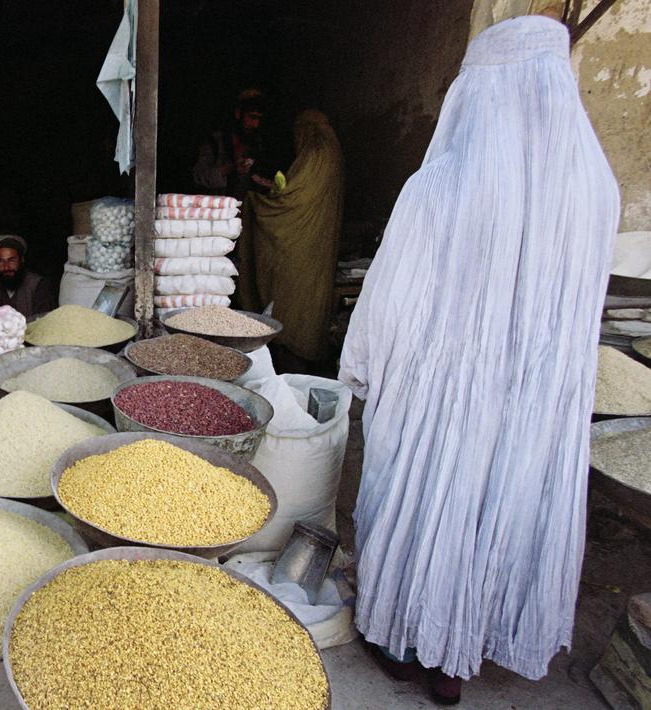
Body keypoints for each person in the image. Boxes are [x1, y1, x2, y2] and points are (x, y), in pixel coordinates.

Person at [338, 16, 619, 705]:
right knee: (504, 507)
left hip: (443, 394)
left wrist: (364, 369)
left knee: (430, 500)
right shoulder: (596, 190)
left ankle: (410, 642)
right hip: (533, 402)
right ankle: (459, 657)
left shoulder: (439, 188)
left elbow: (390, 300)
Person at [235, 110, 343, 369]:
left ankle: (291, 354)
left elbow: (290, 197)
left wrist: (257, 197)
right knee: (309, 301)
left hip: (300, 245)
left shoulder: (315, 155)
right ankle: (302, 353)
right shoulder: (333, 154)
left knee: (293, 301)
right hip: (319, 244)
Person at [191, 88, 278, 198]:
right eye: (252, 117)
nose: (256, 124)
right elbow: (197, 177)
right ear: (238, 114)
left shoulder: (256, 145)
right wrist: (229, 168)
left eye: (259, 119)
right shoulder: (215, 142)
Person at [0, 234, 57, 318]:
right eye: (1, 261)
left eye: (11, 261)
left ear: (22, 259)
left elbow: (44, 320)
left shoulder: (38, 285)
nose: (6, 267)